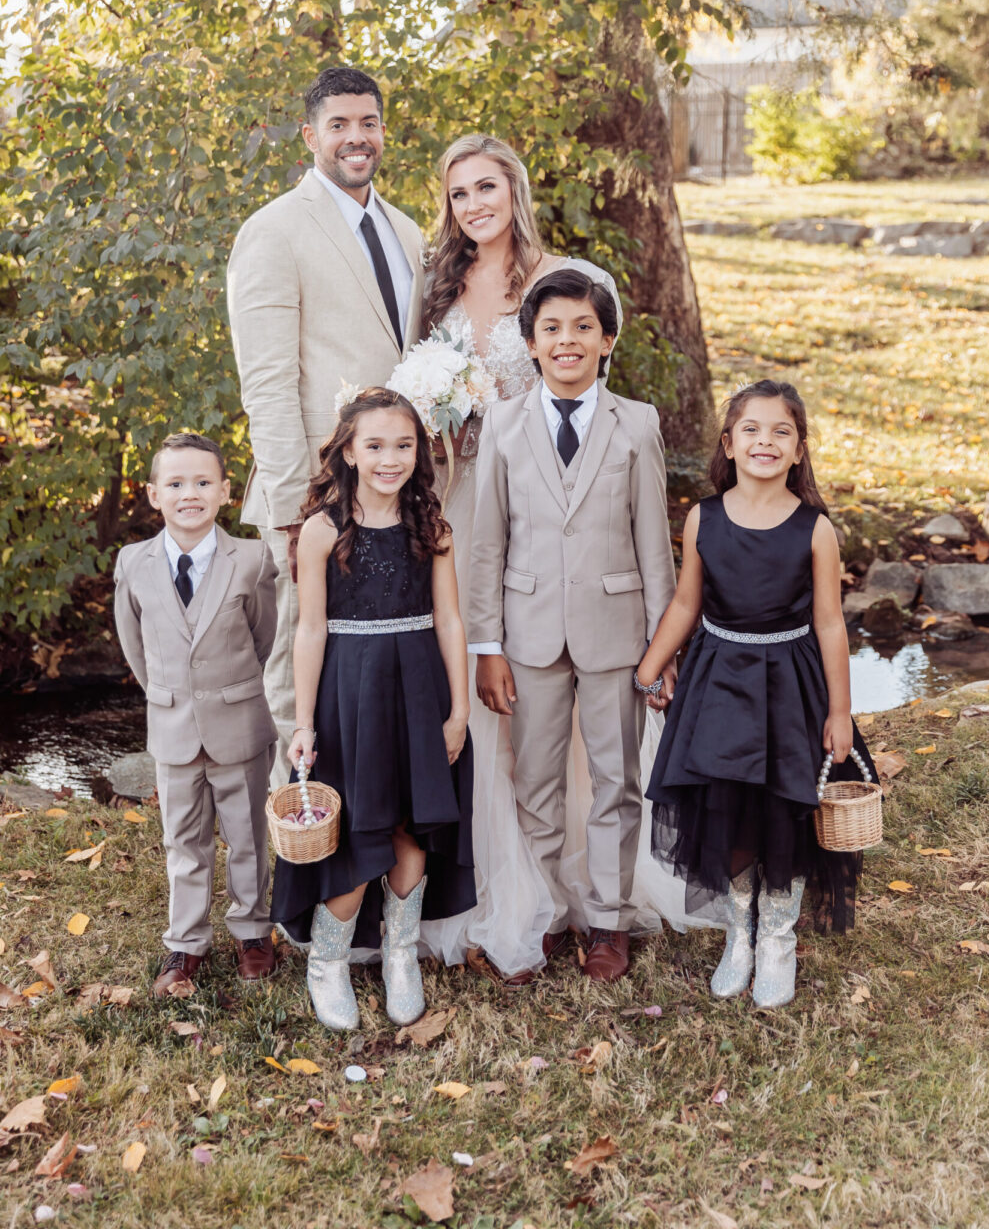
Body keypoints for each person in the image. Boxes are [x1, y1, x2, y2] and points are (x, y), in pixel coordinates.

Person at [420, 134, 623, 982]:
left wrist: (499, 398)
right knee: (470, 667)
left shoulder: (561, 280)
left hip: (540, 509)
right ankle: (487, 886)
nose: (475, 205)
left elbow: (584, 394)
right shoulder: (436, 283)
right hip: (451, 499)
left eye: (487, 187)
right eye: (460, 193)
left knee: (544, 692)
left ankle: (569, 888)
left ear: (515, 190)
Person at [639, 379, 878, 1008]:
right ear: (729, 443)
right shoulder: (703, 518)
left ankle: (777, 938)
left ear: (799, 449)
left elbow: (829, 623)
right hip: (719, 680)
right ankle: (737, 932)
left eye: (781, 432)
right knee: (730, 809)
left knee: (782, 813)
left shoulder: (814, 529)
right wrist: (650, 668)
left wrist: (840, 711)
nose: (765, 441)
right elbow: (687, 602)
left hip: (790, 684)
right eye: (752, 429)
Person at [468, 268, 677, 983]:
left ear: (607, 340)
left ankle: (610, 920)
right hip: (527, 634)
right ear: (529, 343)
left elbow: (655, 543)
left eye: (583, 328)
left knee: (618, 777)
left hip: (617, 632)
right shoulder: (501, 425)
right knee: (536, 779)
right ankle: (544, 912)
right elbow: (488, 543)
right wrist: (487, 645)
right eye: (551, 328)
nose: (567, 341)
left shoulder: (637, 424)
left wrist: (662, 643)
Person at [228, 66, 425, 785]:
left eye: (368, 122)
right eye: (338, 124)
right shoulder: (274, 231)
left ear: (382, 131)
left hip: (394, 496)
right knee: (299, 675)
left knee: (379, 675)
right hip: (313, 498)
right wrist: (289, 505)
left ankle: (370, 859)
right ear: (311, 136)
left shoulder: (406, 232)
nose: (356, 137)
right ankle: (299, 852)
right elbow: (269, 382)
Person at [270, 388, 475, 1030]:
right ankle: (327, 961)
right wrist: (304, 722)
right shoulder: (324, 530)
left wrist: (459, 710)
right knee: (358, 829)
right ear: (350, 451)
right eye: (376, 445)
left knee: (413, 827)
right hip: (349, 694)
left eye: (404, 445)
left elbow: (449, 620)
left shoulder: (430, 526)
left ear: (420, 449)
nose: (391, 458)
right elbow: (310, 630)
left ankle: (400, 954)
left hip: (419, 690)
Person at [112, 434, 279, 997]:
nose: (191, 494)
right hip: (173, 725)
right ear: (154, 494)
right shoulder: (132, 564)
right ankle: (185, 943)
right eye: (177, 484)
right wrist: (170, 694)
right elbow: (135, 649)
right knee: (183, 840)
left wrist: (225, 690)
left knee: (248, 836)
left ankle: (253, 932)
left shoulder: (253, 560)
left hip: (240, 724)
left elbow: (264, 637)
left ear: (225, 492)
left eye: (203, 483)